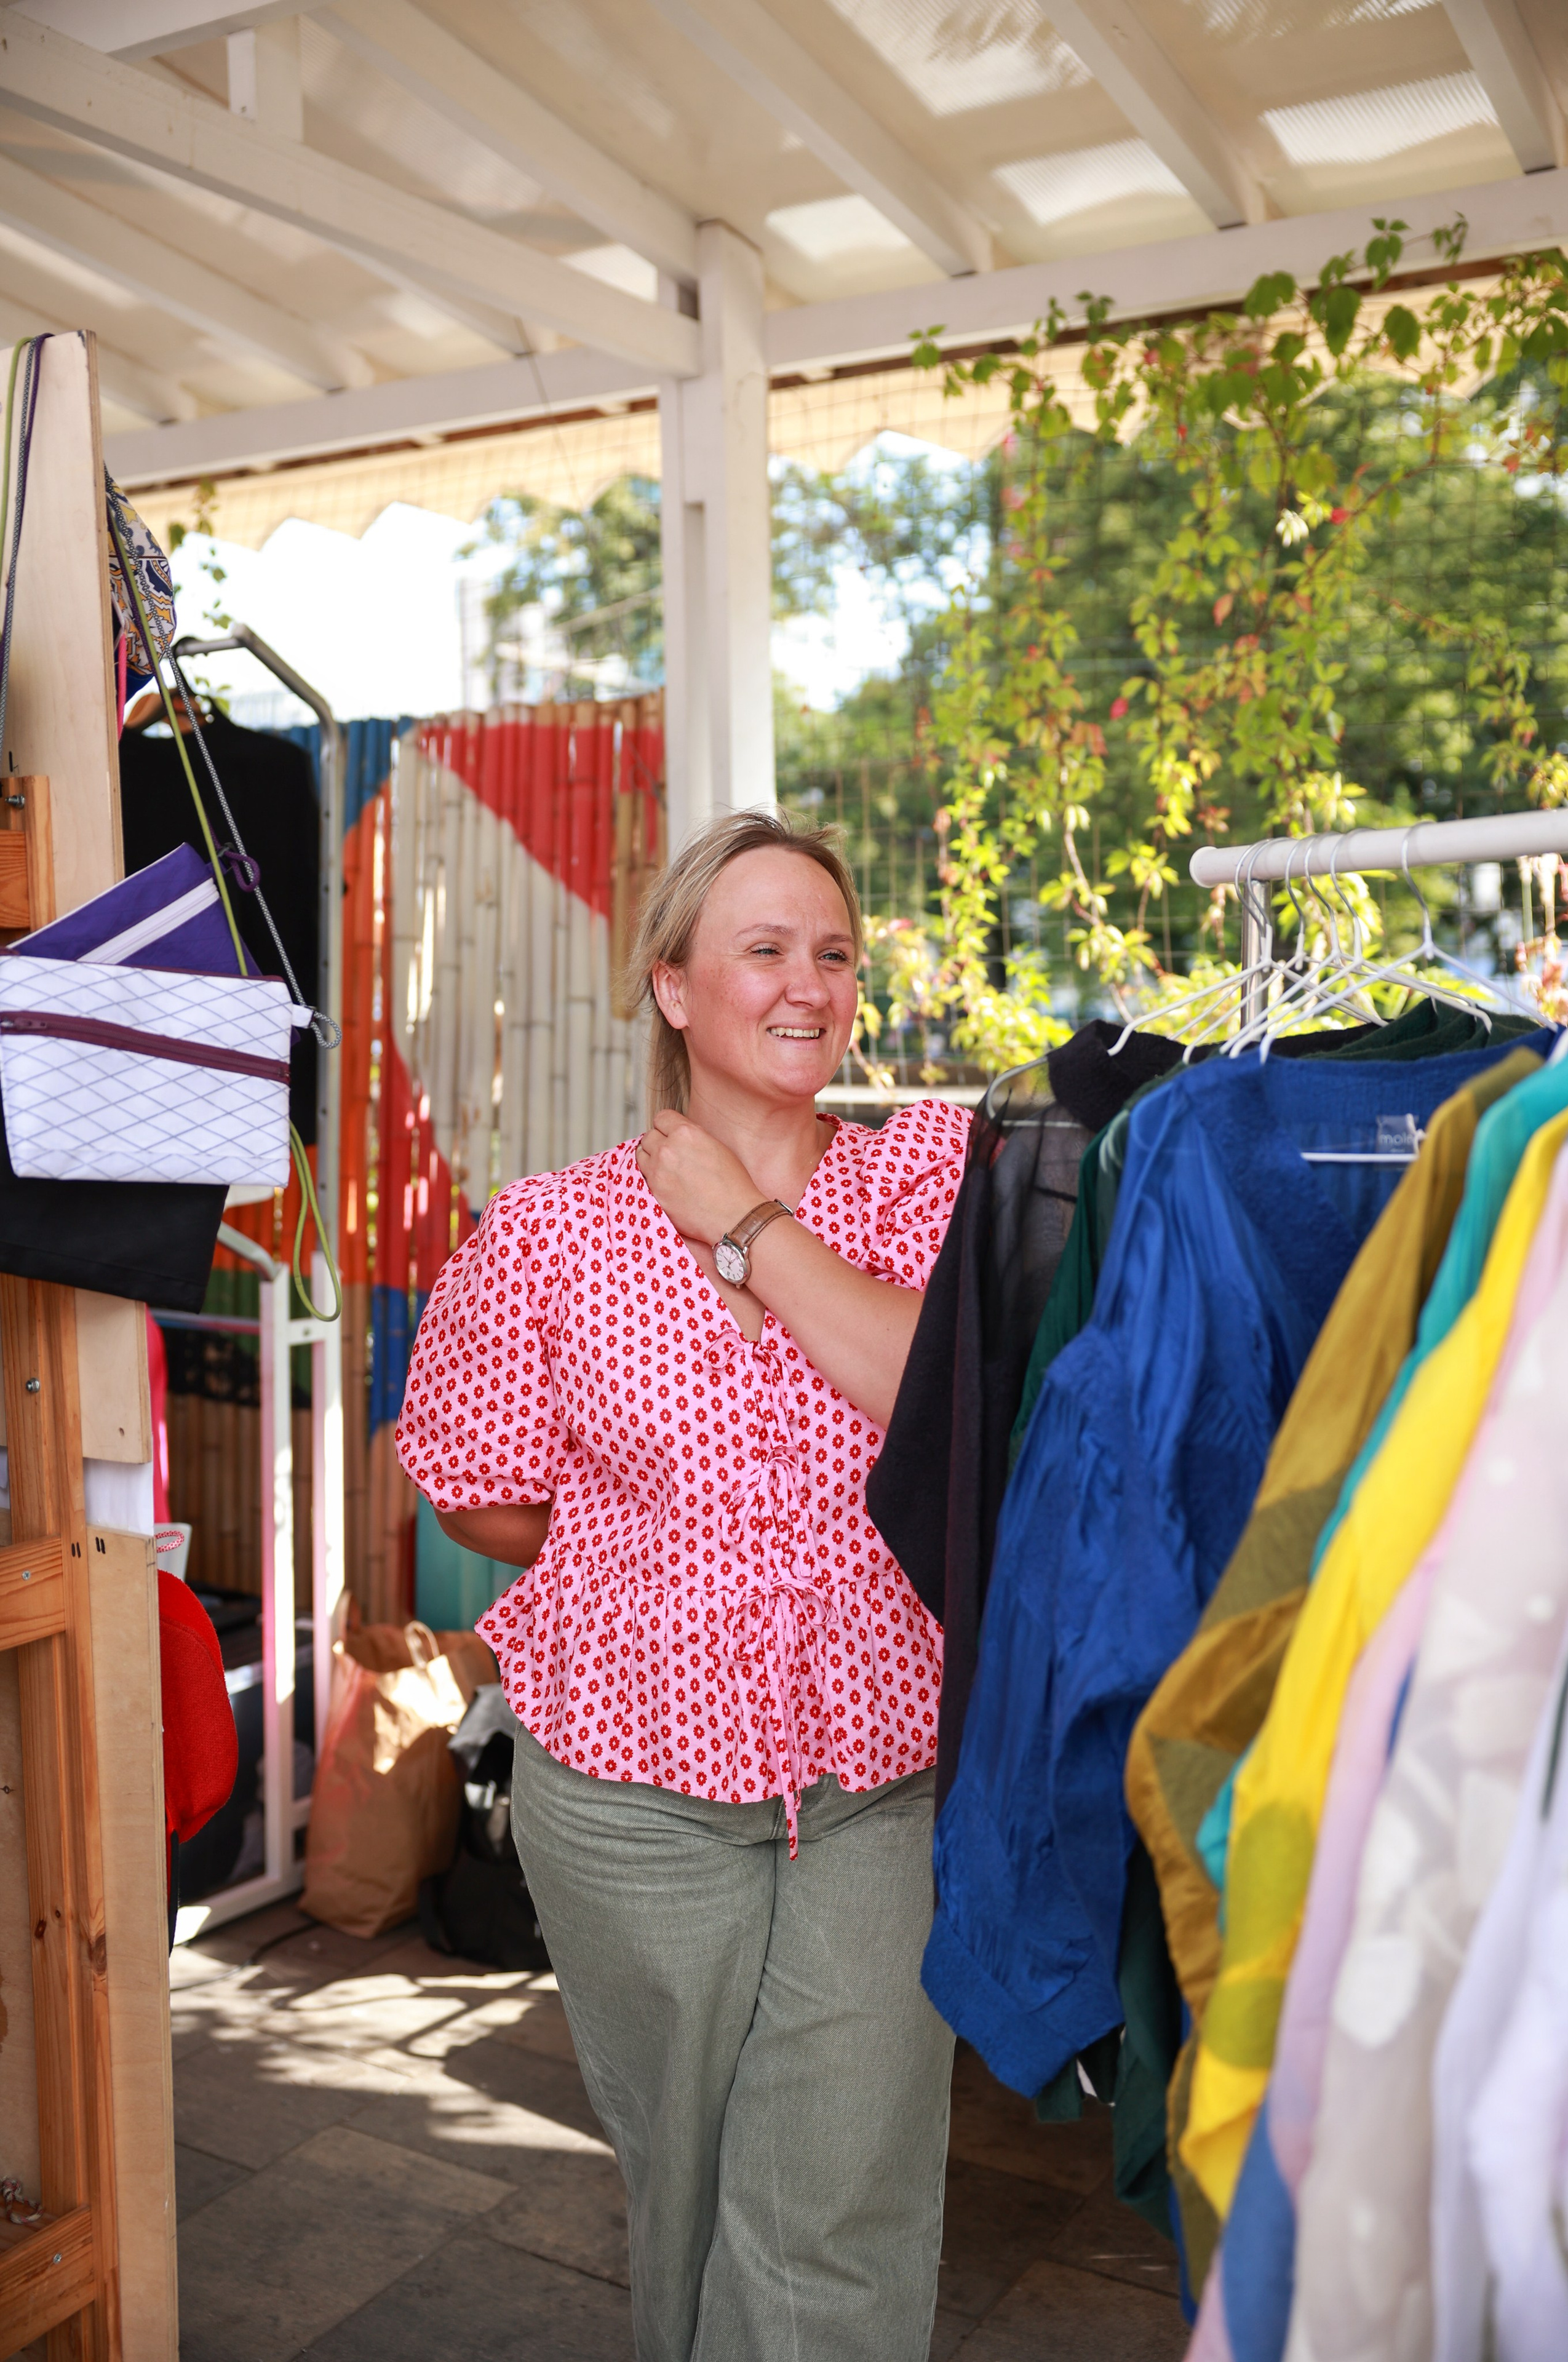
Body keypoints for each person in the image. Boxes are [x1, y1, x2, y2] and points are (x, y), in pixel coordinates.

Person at [396, 809, 971, 2362]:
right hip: (624, 1793)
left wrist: (746, 1226)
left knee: (836, 2204)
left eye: (834, 952)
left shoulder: (931, 1177)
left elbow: (941, 1406)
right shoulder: (551, 1231)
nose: (810, 984)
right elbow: (477, 1487)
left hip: (876, 1782)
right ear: (670, 988)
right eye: (765, 948)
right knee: (687, 2187)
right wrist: (646, 1554)